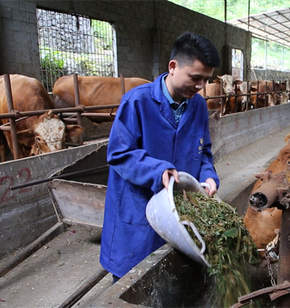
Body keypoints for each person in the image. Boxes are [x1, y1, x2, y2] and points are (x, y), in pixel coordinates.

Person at [100, 32, 221, 282]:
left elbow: (204, 150)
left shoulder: (198, 105)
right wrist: (157, 171)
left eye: (206, 80)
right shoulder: (138, 101)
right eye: (195, 77)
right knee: (132, 283)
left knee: (173, 280)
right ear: (173, 67)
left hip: (180, 214)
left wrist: (208, 176)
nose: (200, 86)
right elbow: (119, 153)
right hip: (138, 210)